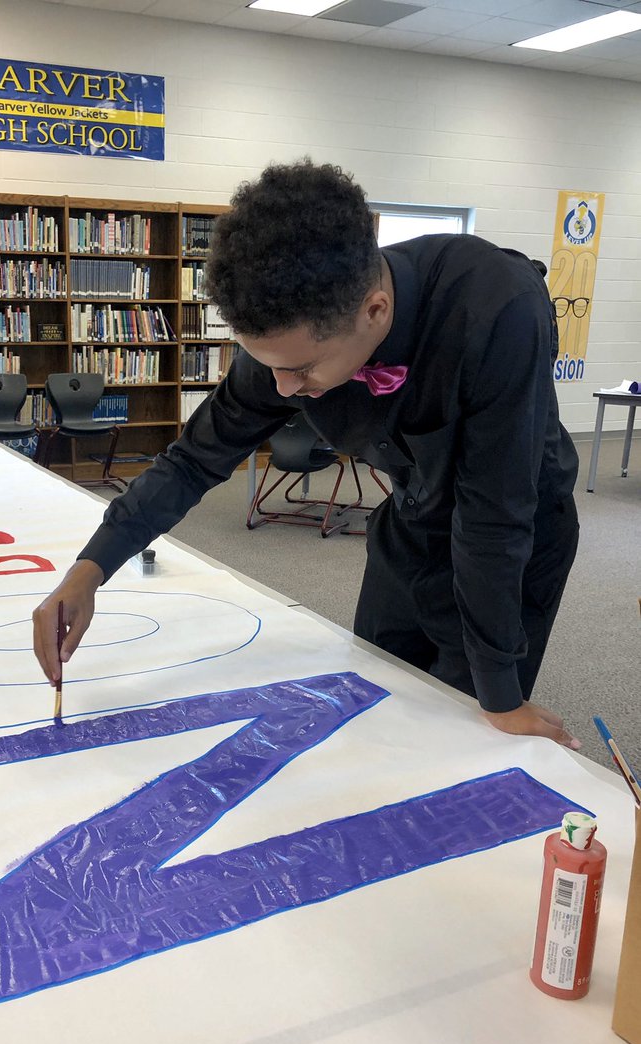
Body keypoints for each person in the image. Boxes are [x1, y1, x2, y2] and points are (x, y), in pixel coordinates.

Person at [33, 160, 581, 748]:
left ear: (374, 311)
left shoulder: (497, 306)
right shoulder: (288, 339)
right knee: (378, 694)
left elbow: (494, 516)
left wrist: (501, 694)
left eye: (301, 371)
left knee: (466, 732)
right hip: (411, 517)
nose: (285, 390)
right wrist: (89, 570)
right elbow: (192, 461)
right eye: (272, 369)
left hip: (513, 530)